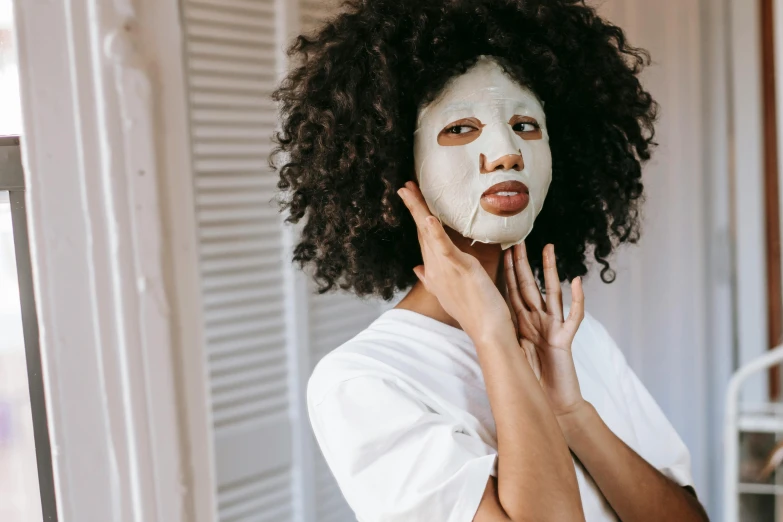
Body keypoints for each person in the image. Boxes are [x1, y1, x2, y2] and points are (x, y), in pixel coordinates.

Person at [270, 0, 710, 520]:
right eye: (460, 129)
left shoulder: (571, 335)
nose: (506, 152)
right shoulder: (364, 380)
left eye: (525, 125)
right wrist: (493, 336)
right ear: (392, 162)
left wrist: (572, 413)